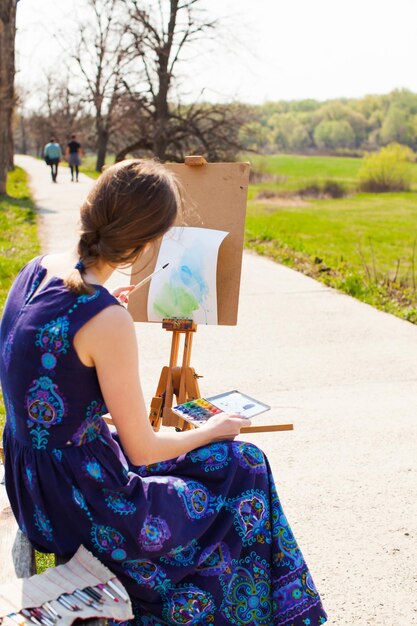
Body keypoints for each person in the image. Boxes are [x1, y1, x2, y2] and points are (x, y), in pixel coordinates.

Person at [0, 159, 327, 626]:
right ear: (147, 242)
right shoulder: (104, 320)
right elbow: (144, 449)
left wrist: (101, 307)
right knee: (245, 467)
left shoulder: (36, 271)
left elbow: (41, 371)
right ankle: (250, 613)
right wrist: (211, 430)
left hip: (38, 490)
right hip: (87, 506)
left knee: (228, 467)